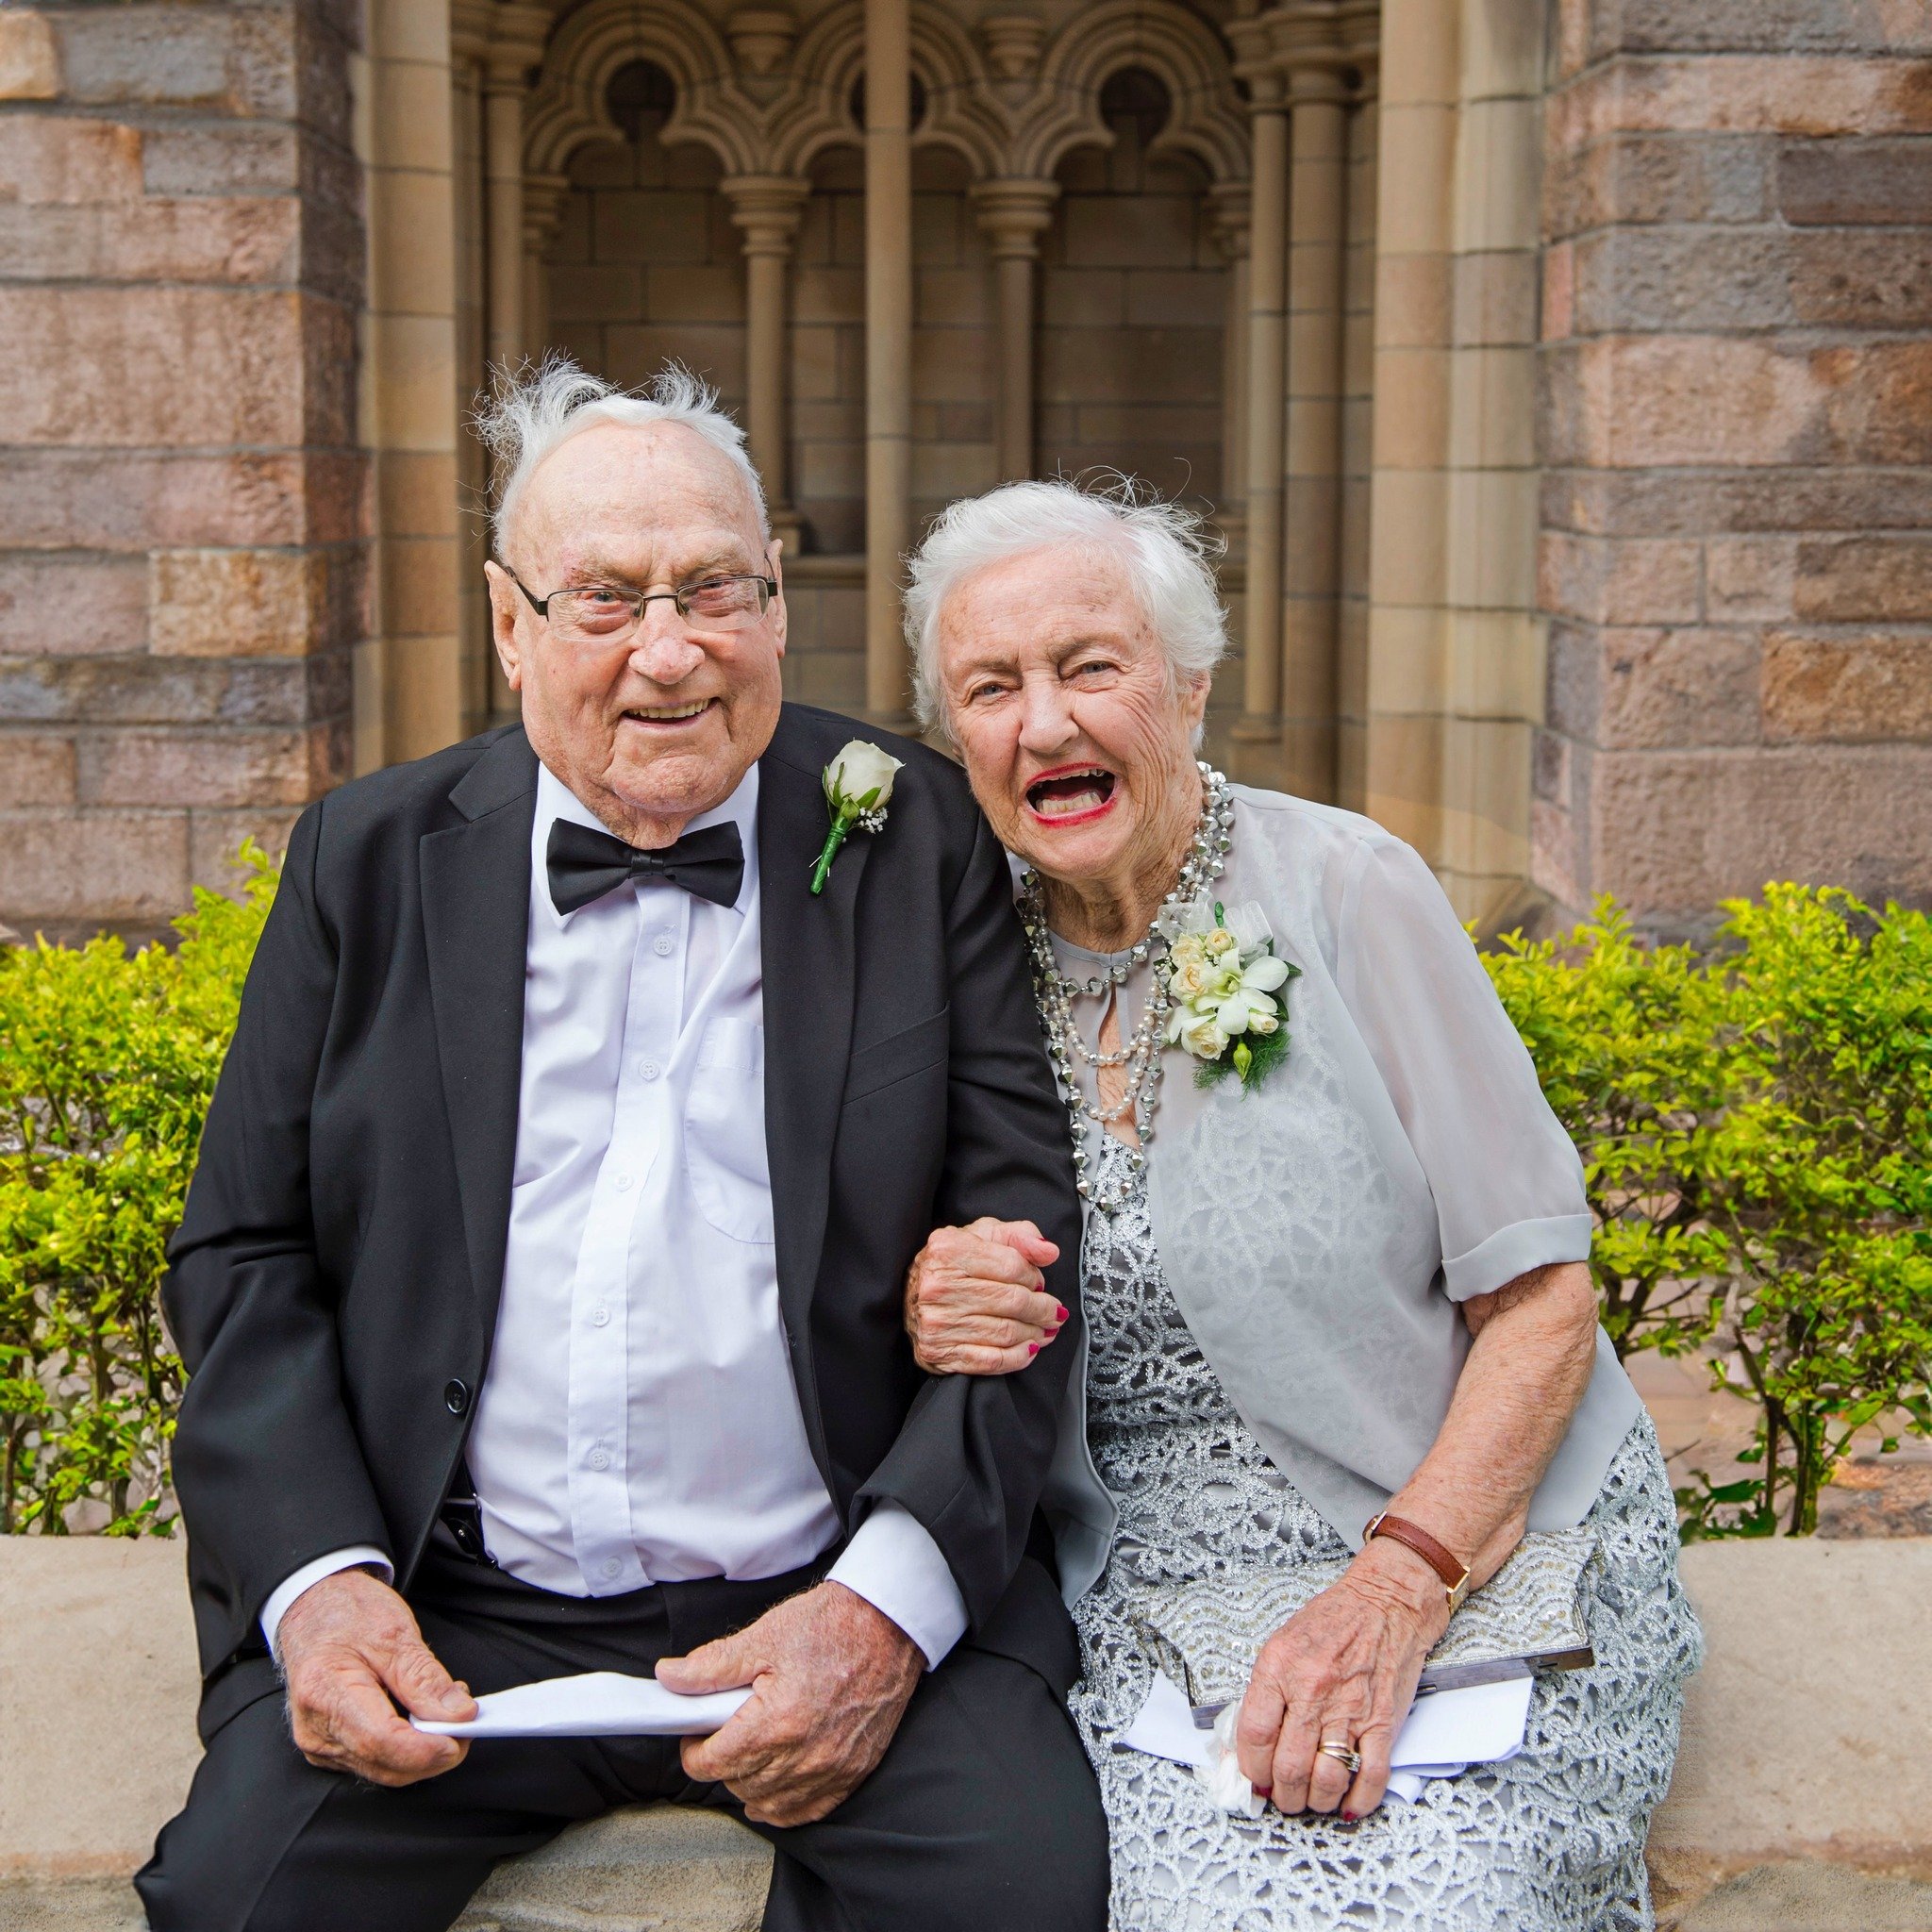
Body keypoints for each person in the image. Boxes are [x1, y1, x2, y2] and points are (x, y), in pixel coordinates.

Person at [135, 363, 1108, 1932]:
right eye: (605, 598)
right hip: (453, 1609)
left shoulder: (910, 833)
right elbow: (244, 1255)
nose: (671, 650)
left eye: (715, 587)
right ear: (511, 625)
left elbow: (1022, 1251)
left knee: (1023, 1899)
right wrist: (321, 1587)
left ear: (779, 605)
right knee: (233, 1905)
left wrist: (880, 1614)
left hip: (828, 1577)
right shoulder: (364, 857)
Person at [895, 478, 1703, 1930]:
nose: (1048, 724)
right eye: (993, 687)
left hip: (1459, 1534)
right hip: (1159, 1593)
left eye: (1092, 667)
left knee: (1451, 1896)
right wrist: (929, 1296)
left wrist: (1401, 1585)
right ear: (958, 737)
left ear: (1189, 687)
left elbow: (1539, 1301)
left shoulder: (1346, 888)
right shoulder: (951, 963)